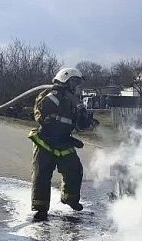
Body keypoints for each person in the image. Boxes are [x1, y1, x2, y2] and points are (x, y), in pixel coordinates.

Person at [28, 67, 98, 222]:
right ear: (66, 79)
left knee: (74, 170)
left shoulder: (75, 101)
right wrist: (58, 97)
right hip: (45, 140)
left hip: (64, 140)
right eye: (75, 82)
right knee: (42, 174)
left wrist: (87, 121)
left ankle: (70, 199)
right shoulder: (51, 95)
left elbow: (79, 126)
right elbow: (40, 110)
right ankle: (40, 209)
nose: (77, 86)